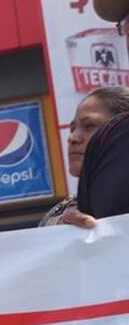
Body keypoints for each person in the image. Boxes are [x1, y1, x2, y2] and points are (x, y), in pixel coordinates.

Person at [61, 0, 129, 227]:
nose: (74, 138)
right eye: (127, 23)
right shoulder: (116, 136)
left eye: (89, 126)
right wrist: (61, 234)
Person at [39, 87, 129, 225]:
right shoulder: (65, 212)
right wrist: (61, 226)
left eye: (89, 126)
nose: (72, 138)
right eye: (72, 128)